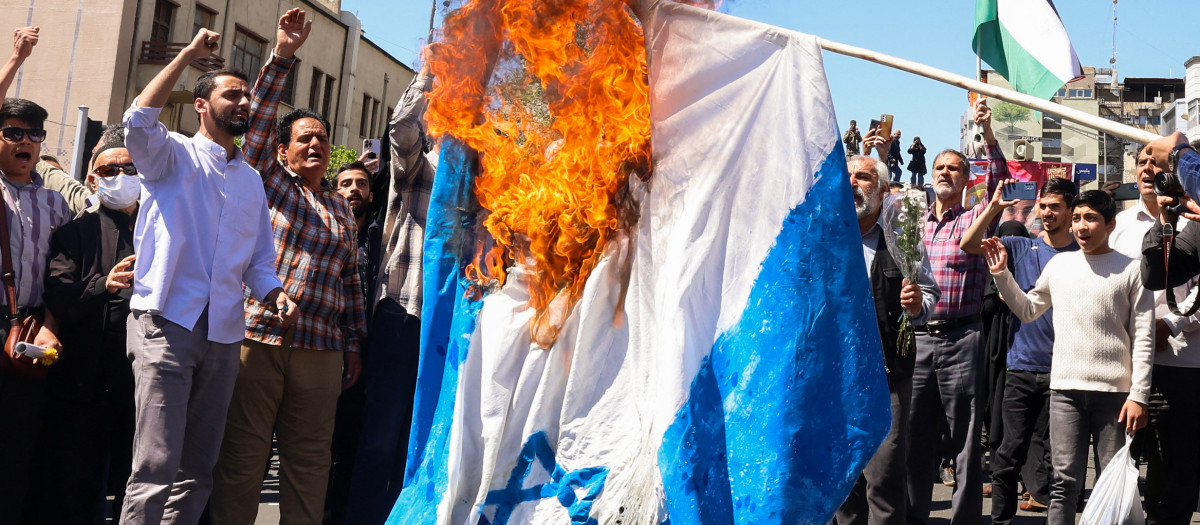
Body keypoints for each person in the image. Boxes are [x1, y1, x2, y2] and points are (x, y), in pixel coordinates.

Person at [120, 27, 297, 523]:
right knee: (155, 464)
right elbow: (137, 119)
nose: (243, 101)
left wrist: (276, 292)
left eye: (247, 95)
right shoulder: (170, 154)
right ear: (202, 104)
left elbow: (260, 261)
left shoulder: (252, 181)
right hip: (166, 324)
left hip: (222, 336)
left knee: (198, 469)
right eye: (232, 93)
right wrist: (186, 56)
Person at [209, 9, 367, 525]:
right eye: (305, 138)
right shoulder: (270, 184)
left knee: (310, 462)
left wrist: (355, 344)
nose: (316, 143)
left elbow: (352, 284)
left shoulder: (343, 209)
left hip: (323, 349)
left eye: (322, 137)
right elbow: (251, 130)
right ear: (282, 151)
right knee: (244, 457)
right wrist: (282, 55)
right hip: (258, 336)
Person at [983, 189, 1151, 525]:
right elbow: (1029, 310)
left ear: (1110, 224)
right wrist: (1002, 275)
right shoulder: (1060, 265)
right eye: (1077, 218)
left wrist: (1139, 395)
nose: (1081, 226)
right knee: (1063, 483)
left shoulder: (1133, 270)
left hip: (1115, 396)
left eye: (1090, 218)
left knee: (1110, 483)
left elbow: (1144, 337)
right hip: (1064, 394)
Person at [901, 99, 1009, 525]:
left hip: (963, 338)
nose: (945, 172)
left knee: (965, 438)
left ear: (967, 180)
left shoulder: (976, 219)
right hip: (920, 338)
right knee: (915, 437)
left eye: (954, 168)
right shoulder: (914, 222)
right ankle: (913, 516)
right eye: (940, 168)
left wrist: (988, 130)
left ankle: (965, 519)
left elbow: (999, 181)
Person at [345, 57, 437, 523]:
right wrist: (431, 75)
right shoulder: (421, 167)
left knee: (424, 443)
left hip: (451, 326)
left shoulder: (492, 182)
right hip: (404, 313)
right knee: (381, 439)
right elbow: (401, 126)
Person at [961, 177, 1080, 523]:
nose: (1047, 212)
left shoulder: (1083, 254)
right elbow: (969, 244)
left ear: (1071, 211)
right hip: (1022, 368)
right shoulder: (1018, 246)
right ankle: (1001, 520)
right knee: (1008, 456)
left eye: (1055, 206)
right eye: (1043, 206)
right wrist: (994, 207)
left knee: (1061, 463)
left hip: (1066, 372)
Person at [35, 136, 140, 522]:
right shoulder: (74, 233)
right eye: (110, 170)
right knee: (77, 482)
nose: (121, 176)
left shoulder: (160, 228)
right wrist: (103, 285)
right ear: (92, 181)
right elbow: (59, 296)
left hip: (143, 375)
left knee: (137, 479)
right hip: (86, 375)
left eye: (130, 169)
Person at [834, 149, 940, 525]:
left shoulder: (902, 241)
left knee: (884, 479)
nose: (853, 184)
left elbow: (929, 293)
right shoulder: (826, 239)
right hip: (835, 381)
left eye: (864, 177)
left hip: (887, 377)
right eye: (847, 176)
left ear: (881, 191)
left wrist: (915, 306)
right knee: (841, 485)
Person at [0, 27, 69, 523]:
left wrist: (50, 324)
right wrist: (16, 58)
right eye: (14, 133)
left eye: (35, 135)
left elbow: (64, 278)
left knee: (18, 454)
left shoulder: (57, 204)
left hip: (30, 335)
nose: (26, 142)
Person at [1130, 132, 1200, 525]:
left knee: (1179, 469)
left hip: (1185, 364)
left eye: (1160, 162)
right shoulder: (1128, 223)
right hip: (1137, 365)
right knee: (1152, 466)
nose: (1151, 168)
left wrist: (1172, 324)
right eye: (1144, 161)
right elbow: (1156, 274)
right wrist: (1166, 219)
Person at [325, 159, 382, 524]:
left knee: (355, 441)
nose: (353, 189)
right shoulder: (325, 232)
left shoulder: (382, 238)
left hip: (370, 353)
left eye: (361, 183)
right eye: (345, 183)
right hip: (327, 346)